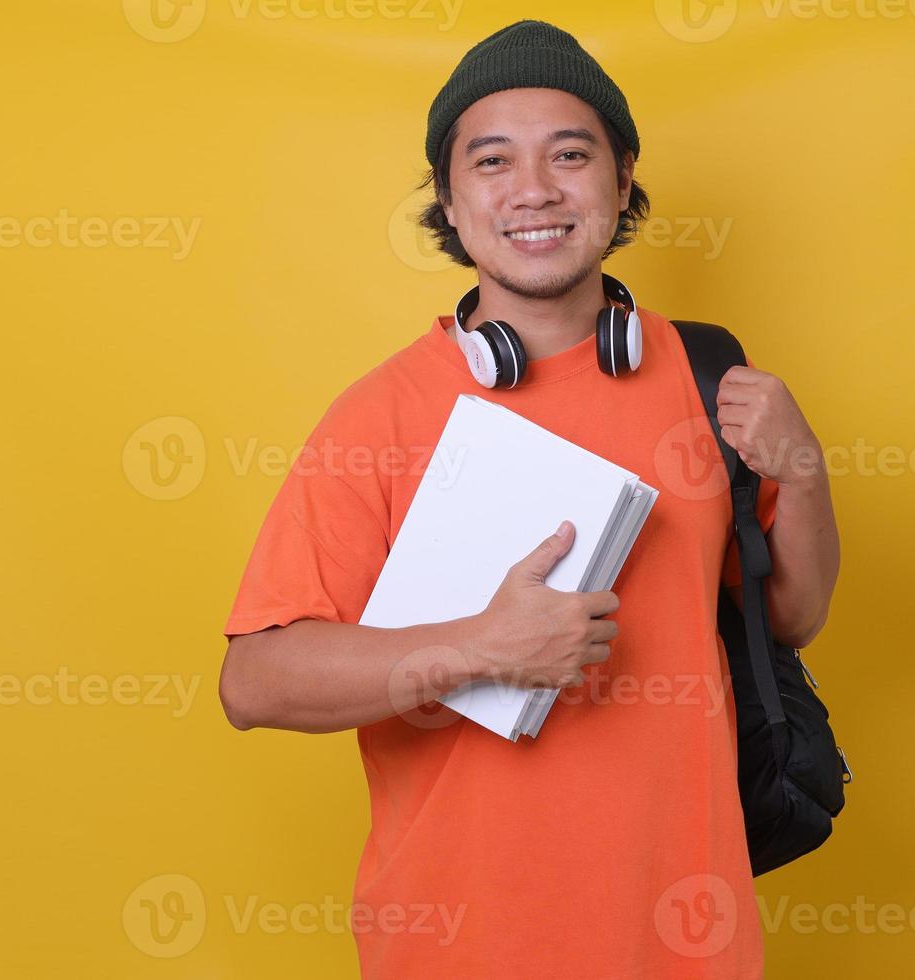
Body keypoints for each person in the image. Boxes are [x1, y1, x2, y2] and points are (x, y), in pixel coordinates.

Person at [218, 19, 840, 978]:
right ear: (451, 201)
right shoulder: (379, 415)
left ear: (621, 180)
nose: (535, 190)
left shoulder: (708, 377)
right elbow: (253, 683)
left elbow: (790, 617)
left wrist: (802, 473)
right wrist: (480, 648)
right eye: (493, 161)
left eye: (570, 154)